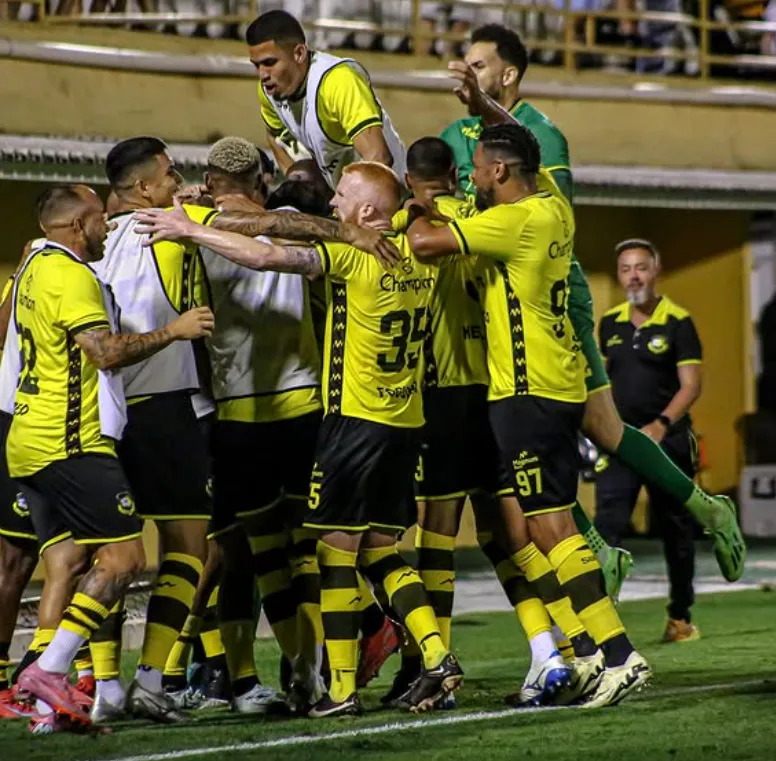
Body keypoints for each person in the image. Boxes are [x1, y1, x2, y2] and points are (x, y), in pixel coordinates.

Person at [133, 161, 464, 718]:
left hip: (353, 423)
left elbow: (266, 254)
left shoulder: (356, 255)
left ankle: (339, 689)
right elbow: (408, 207)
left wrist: (191, 229)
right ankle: (436, 655)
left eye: (342, 197)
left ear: (365, 213)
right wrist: (405, 209)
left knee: (335, 555)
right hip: (406, 421)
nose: (332, 204)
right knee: (382, 551)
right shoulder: (423, 248)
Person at [440, 22, 745, 586]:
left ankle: (701, 507)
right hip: (483, 300)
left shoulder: (539, 135)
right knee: (507, 429)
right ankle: (599, 546)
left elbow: (551, 213)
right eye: (467, 64)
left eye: (479, 66)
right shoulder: (453, 133)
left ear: (507, 75)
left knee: (601, 427)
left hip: (549, 303)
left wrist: (484, 108)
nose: (468, 74)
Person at [407, 123, 651, 708]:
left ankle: (620, 654)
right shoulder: (555, 210)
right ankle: (588, 650)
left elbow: (424, 244)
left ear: (499, 171)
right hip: (556, 384)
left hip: (527, 391)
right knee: (543, 525)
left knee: (553, 527)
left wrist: (422, 202)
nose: (474, 178)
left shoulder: (513, 221)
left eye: (480, 168)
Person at [7, 185, 213, 733]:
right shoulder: (71, 276)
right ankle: (49, 671)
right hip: (68, 441)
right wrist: (176, 330)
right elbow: (104, 352)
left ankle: (51, 712)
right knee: (124, 561)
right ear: (78, 225)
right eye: (101, 220)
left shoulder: (31, 267)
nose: (107, 228)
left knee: (72, 562)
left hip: (29, 438)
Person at [399, 136, 580, 709]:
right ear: (457, 173)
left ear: (411, 182)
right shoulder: (492, 215)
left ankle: (436, 667)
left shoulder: (417, 226)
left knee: (437, 532)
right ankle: (555, 649)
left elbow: (420, 248)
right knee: (507, 534)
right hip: (496, 388)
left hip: (445, 395)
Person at [199, 137, 324, 713]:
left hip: (235, 408)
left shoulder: (195, 230)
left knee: (258, 555)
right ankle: (310, 671)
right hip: (301, 403)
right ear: (260, 179)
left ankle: (246, 679)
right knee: (303, 550)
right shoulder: (293, 221)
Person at [596, 240, 703, 643]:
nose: (634, 276)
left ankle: (680, 617)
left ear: (655, 271)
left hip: (667, 443)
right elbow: (602, 383)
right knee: (605, 528)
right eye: (626, 269)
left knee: (676, 530)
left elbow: (691, 386)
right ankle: (599, 621)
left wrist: (661, 424)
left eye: (641, 267)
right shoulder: (610, 323)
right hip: (621, 442)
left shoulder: (679, 322)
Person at [246, 9, 406, 188]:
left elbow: (378, 158)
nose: (262, 74)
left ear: (299, 53)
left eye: (269, 63)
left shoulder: (338, 81)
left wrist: (346, 204)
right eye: (256, 65)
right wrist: (296, 184)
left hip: (388, 202)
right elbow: (275, 138)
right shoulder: (269, 92)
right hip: (340, 199)